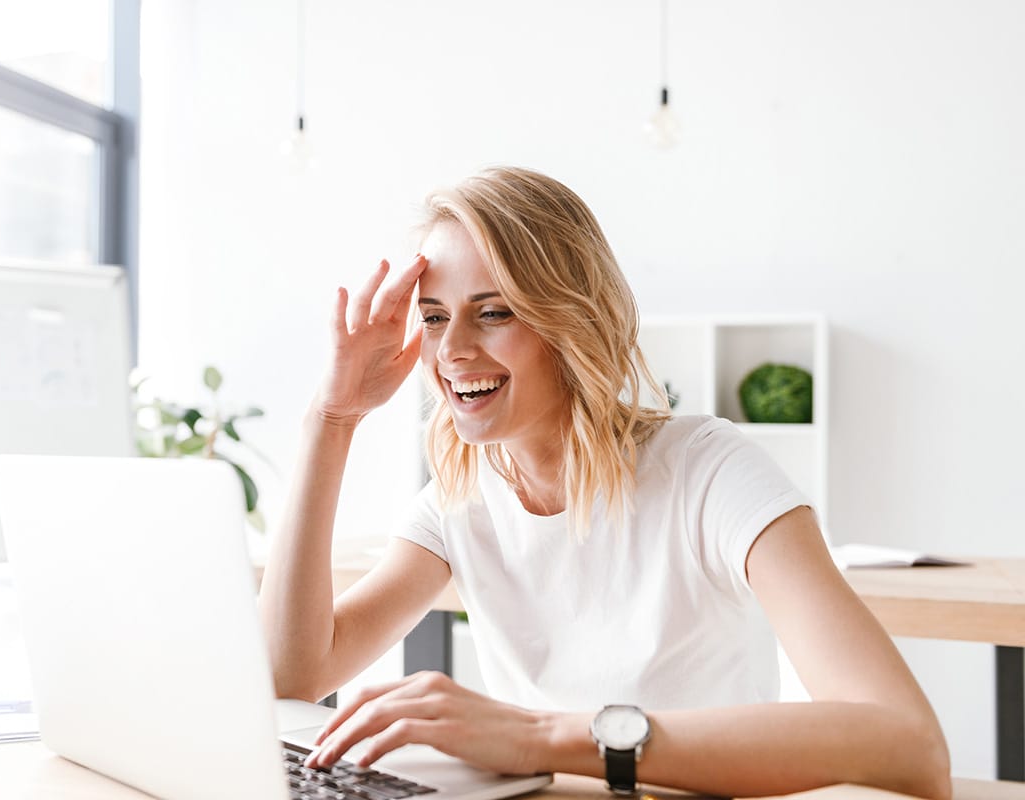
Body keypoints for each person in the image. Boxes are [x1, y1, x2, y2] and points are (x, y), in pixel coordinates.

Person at [257, 167, 950, 799]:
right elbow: (293, 677)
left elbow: (909, 748)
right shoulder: (457, 506)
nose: (452, 349)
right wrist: (333, 417)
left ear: (570, 318)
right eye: (434, 317)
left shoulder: (709, 472)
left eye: (494, 311)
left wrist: (538, 737)